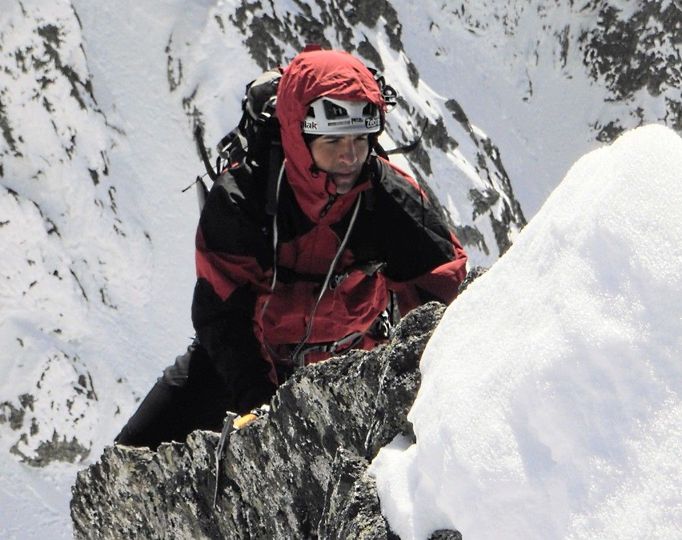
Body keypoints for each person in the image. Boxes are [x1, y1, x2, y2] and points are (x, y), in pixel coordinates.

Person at [115, 47, 468, 449]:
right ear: (301, 135)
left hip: (350, 368)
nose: (350, 155)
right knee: (133, 455)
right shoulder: (243, 198)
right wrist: (258, 403)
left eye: (360, 138)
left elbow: (442, 292)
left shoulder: (387, 198)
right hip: (246, 365)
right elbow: (223, 314)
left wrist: (419, 381)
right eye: (334, 141)